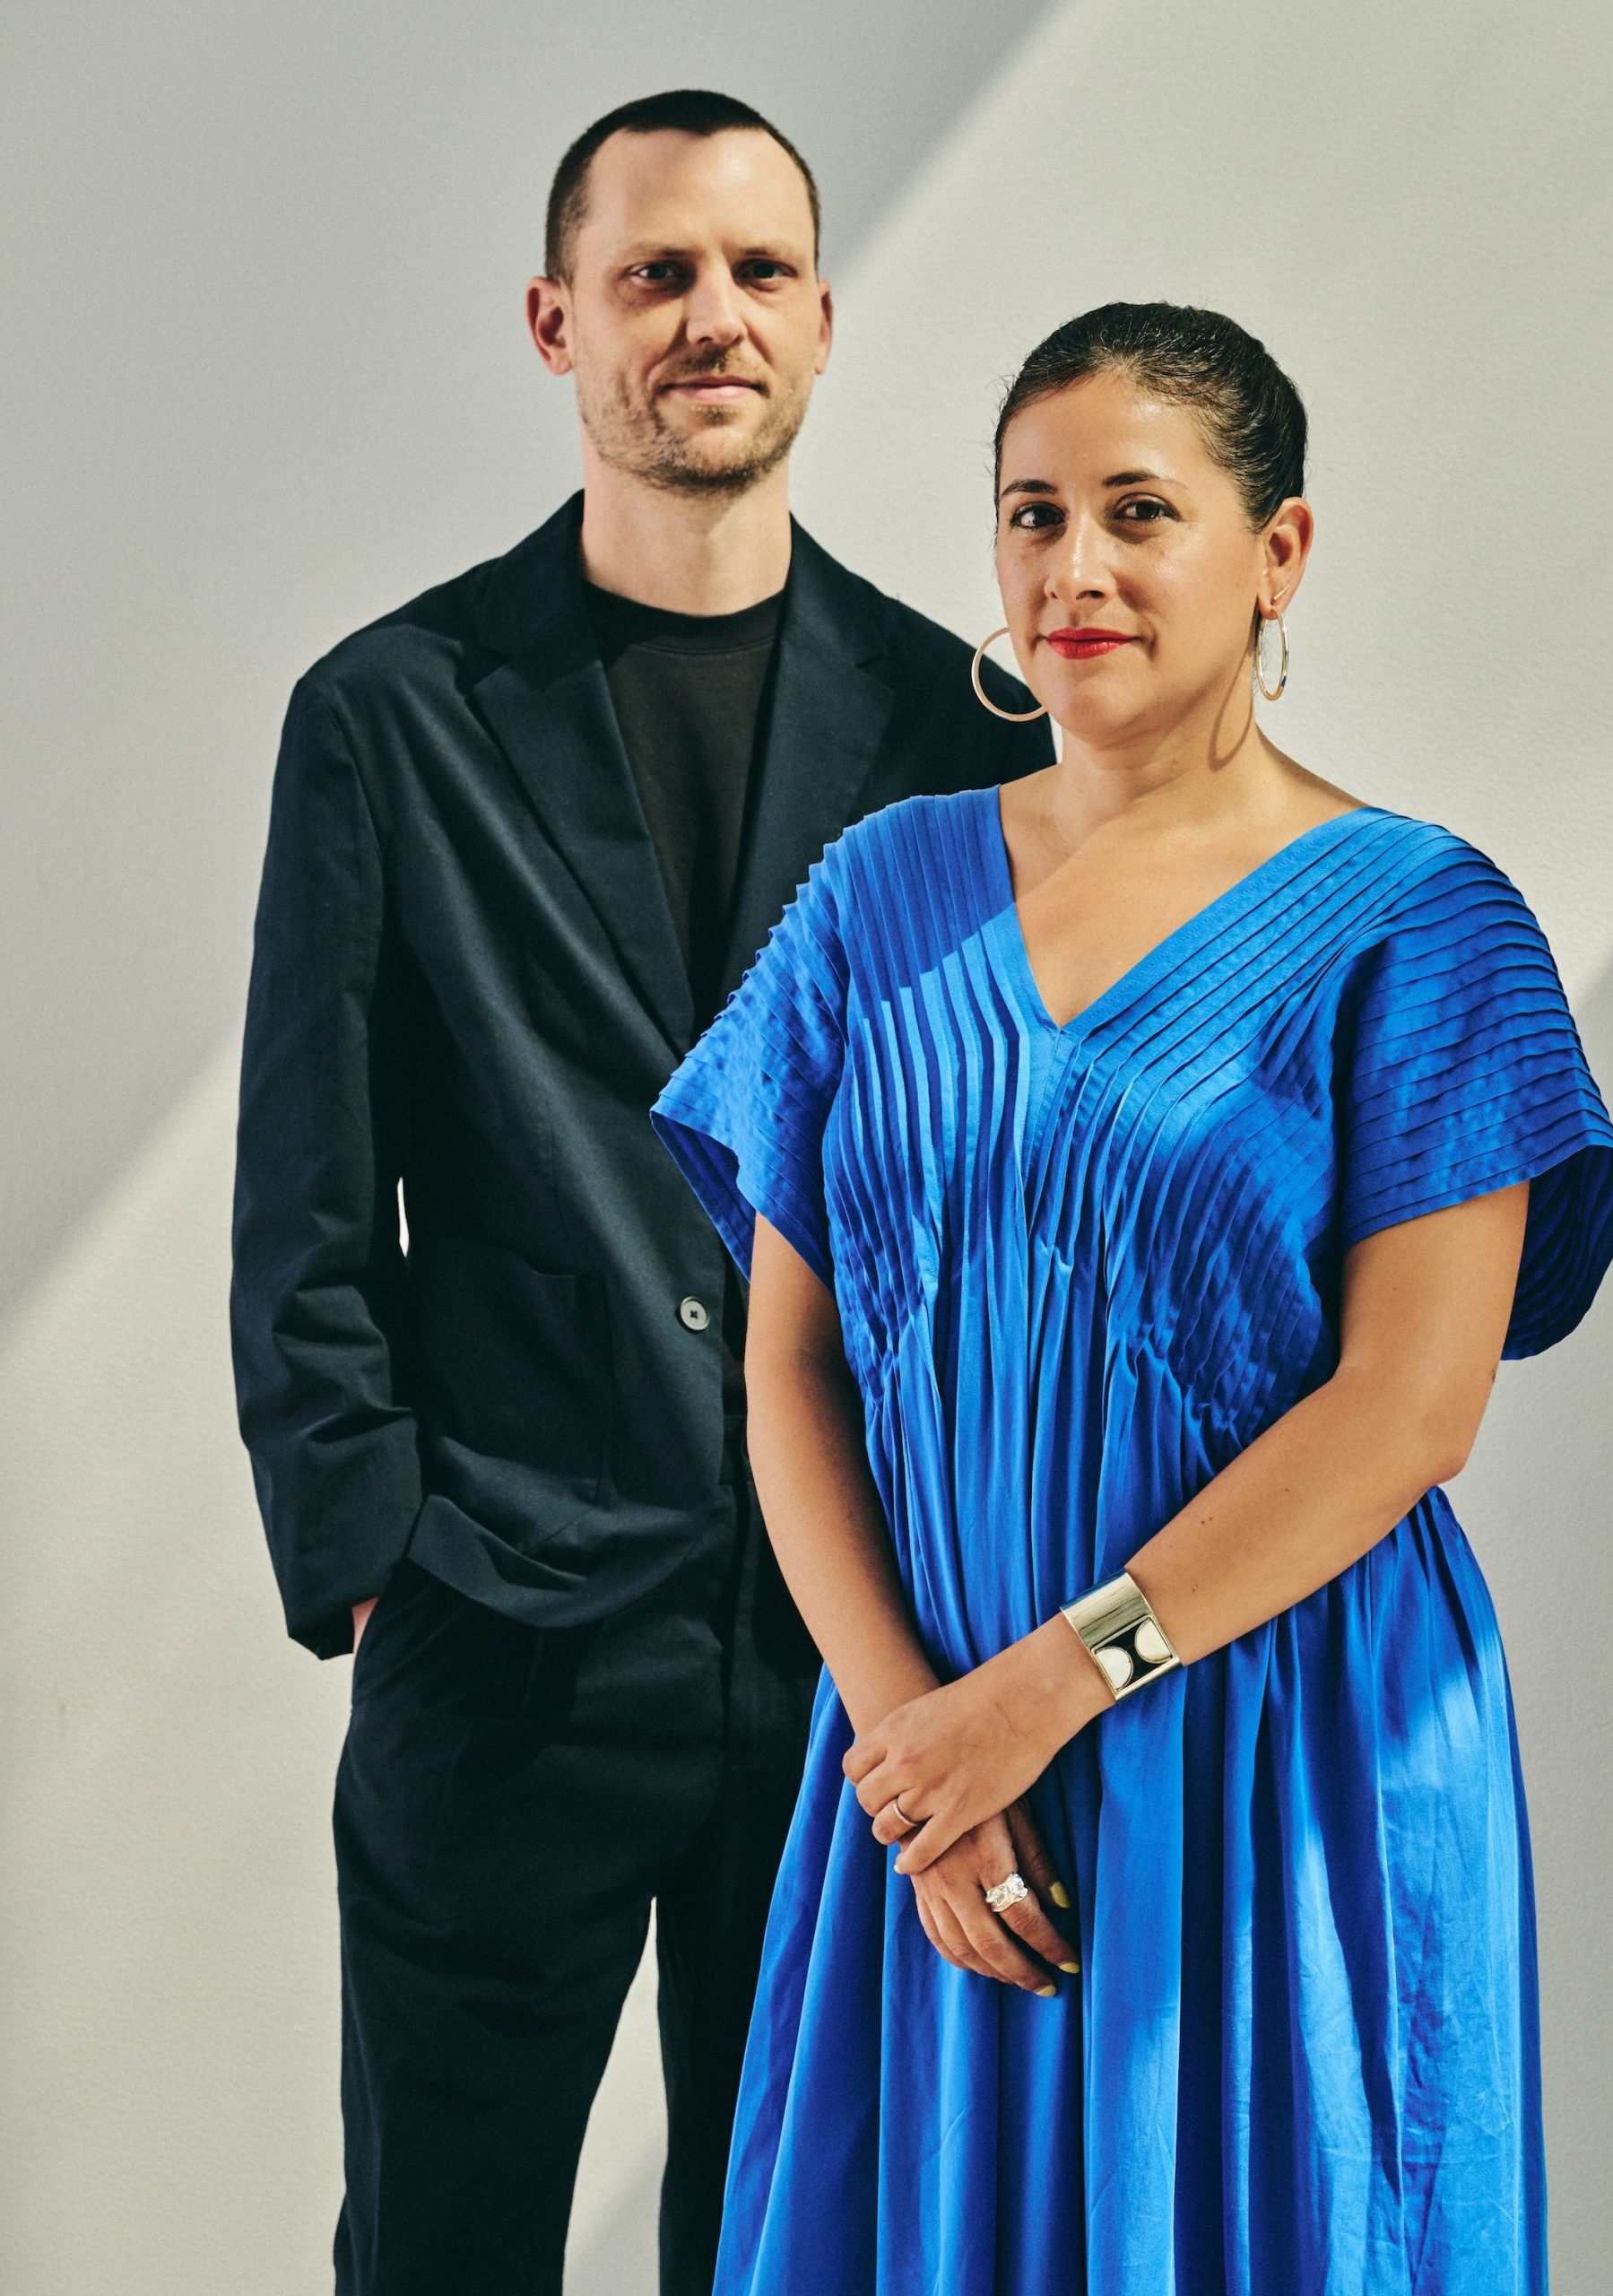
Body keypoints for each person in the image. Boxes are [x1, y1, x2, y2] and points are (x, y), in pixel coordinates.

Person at [651, 300, 1613, 2294]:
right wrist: (916, 1749)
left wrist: (1046, 1687)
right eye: (1030, 514)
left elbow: (1409, 1409)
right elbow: (786, 1366)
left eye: (1137, 512)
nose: (1070, 569)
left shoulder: (1421, 917)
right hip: (930, 1777)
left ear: (1276, 554)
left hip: (1281, 1746)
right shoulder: (875, 892)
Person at [229, 90, 1050, 2296]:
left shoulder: (969, 730)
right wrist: (381, 1559)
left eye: (757, 272)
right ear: (554, 319)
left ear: (822, 320)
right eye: (657, 274)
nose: (712, 317)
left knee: (798, 2251)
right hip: (499, 1635)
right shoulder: (388, 715)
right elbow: (303, 1195)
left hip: (856, 1647)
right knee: (440, 2248)